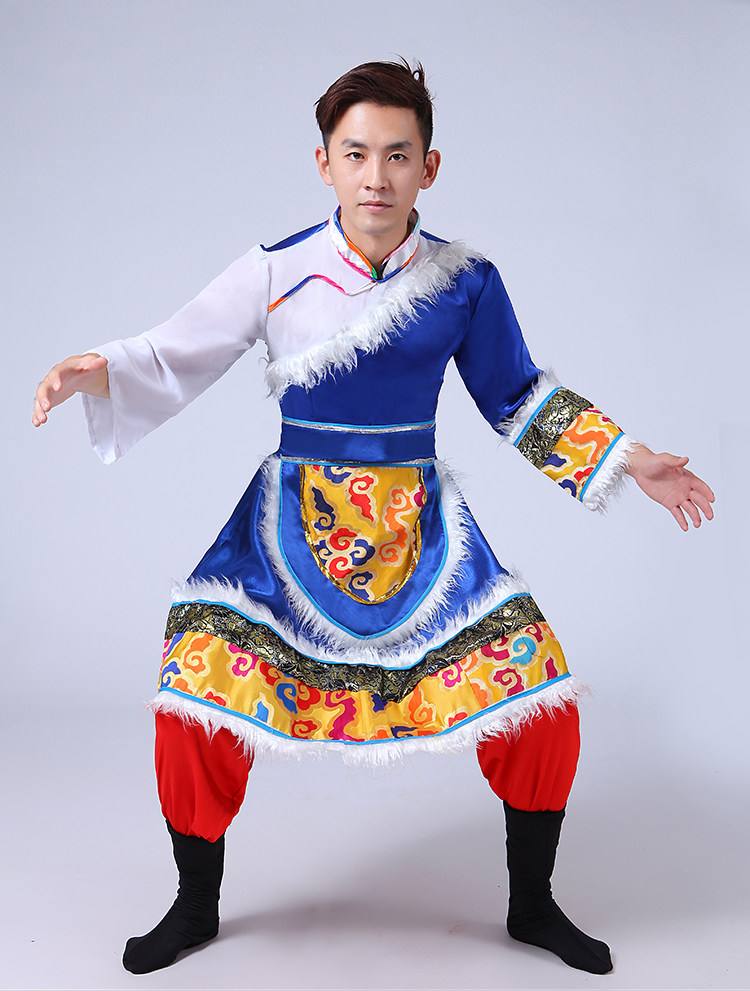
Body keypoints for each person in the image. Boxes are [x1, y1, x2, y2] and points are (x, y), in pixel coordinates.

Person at [32, 59, 714, 977]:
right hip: (288, 528)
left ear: (429, 167)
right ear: (324, 163)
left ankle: (532, 902)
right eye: (355, 154)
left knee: (539, 699)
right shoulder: (276, 270)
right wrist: (97, 368)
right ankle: (194, 905)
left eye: (398, 155)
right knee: (194, 690)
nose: (376, 177)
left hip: (421, 530)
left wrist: (631, 459)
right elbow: (173, 351)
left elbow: (516, 396)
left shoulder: (465, 281)